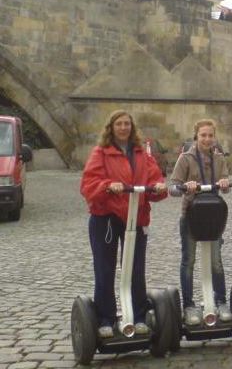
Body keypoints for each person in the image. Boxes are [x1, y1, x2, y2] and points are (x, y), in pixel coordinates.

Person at [80, 110, 167, 338]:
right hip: (106, 218)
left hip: (135, 217)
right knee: (105, 269)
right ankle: (106, 319)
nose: (123, 128)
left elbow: (154, 177)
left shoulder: (141, 153)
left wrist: (158, 186)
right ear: (111, 127)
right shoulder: (101, 153)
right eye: (119, 124)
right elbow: (88, 185)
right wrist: (108, 185)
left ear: (132, 127)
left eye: (127, 124)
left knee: (135, 270)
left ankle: (138, 317)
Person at [169, 119, 232, 325]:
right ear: (196, 136)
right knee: (189, 261)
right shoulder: (186, 159)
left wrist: (224, 184)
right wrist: (185, 186)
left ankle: (221, 301)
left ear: (215, 137)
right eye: (203, 135)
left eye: (210, 135)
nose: (207, 139)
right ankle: (188, 305)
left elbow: (226, 185)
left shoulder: (220, 159)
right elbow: (173, 188)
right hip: (191, 216)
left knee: (216, 261)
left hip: (213, 216)